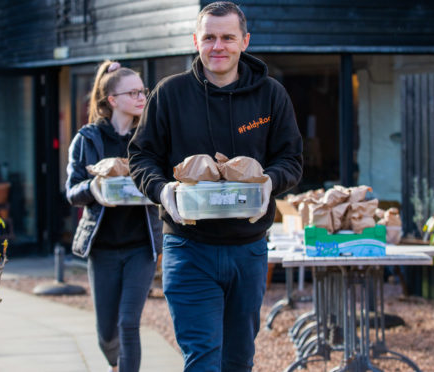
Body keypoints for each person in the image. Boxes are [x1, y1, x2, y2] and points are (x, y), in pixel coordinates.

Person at [128, 2, 303, 371]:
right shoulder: (169, 94)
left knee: (238, 360)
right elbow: (141, 157)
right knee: (204, 358)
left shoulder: (271, 96)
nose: (217, 46)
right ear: (196, 40)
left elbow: (291, 160)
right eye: (209, 37)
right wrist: (163, 191)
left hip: (248, 250)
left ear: (245, 41)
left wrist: (269, 184)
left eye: (227, 37)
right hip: (189, 248)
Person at [65, 60, 162, 372]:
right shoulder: (88, 139)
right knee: (107, 333)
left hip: (141, 246)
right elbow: (71, 191)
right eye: (133, 92)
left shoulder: (150, 137)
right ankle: (113, 364)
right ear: (112, 100)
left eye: (142, 91)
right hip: (103, 247)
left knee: (128, 322)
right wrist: (97, 186)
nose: (141, 97)